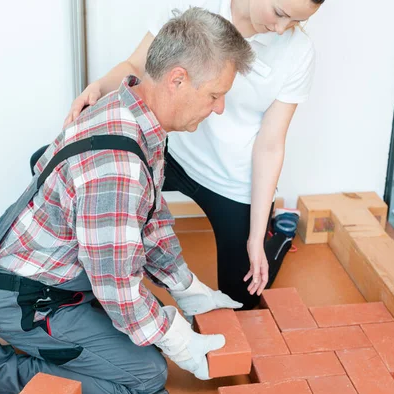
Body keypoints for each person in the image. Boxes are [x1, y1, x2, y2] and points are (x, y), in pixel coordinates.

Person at [0, 8, 254, 394]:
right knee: (145, 376)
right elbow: (118, 290)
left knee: (146, 323)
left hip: (34, 269)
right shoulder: (117, 168)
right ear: (177, 79)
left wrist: (187, 287)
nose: (219, 109)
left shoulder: (132, 113)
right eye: (215, 95)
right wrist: (180, 340)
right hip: (30, 296)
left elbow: (151, 221)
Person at [64, 0, 325, 310]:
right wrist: (99, 86)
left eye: (296, 22)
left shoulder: (298, 52)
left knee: (242, 298)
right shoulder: (192, 4)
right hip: (170, 153)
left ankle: (278, 235)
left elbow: (270, 145)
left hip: (231, 179)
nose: (282, 29)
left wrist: (255, 238)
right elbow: (138, 66)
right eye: (280, 14)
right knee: (66, 169)